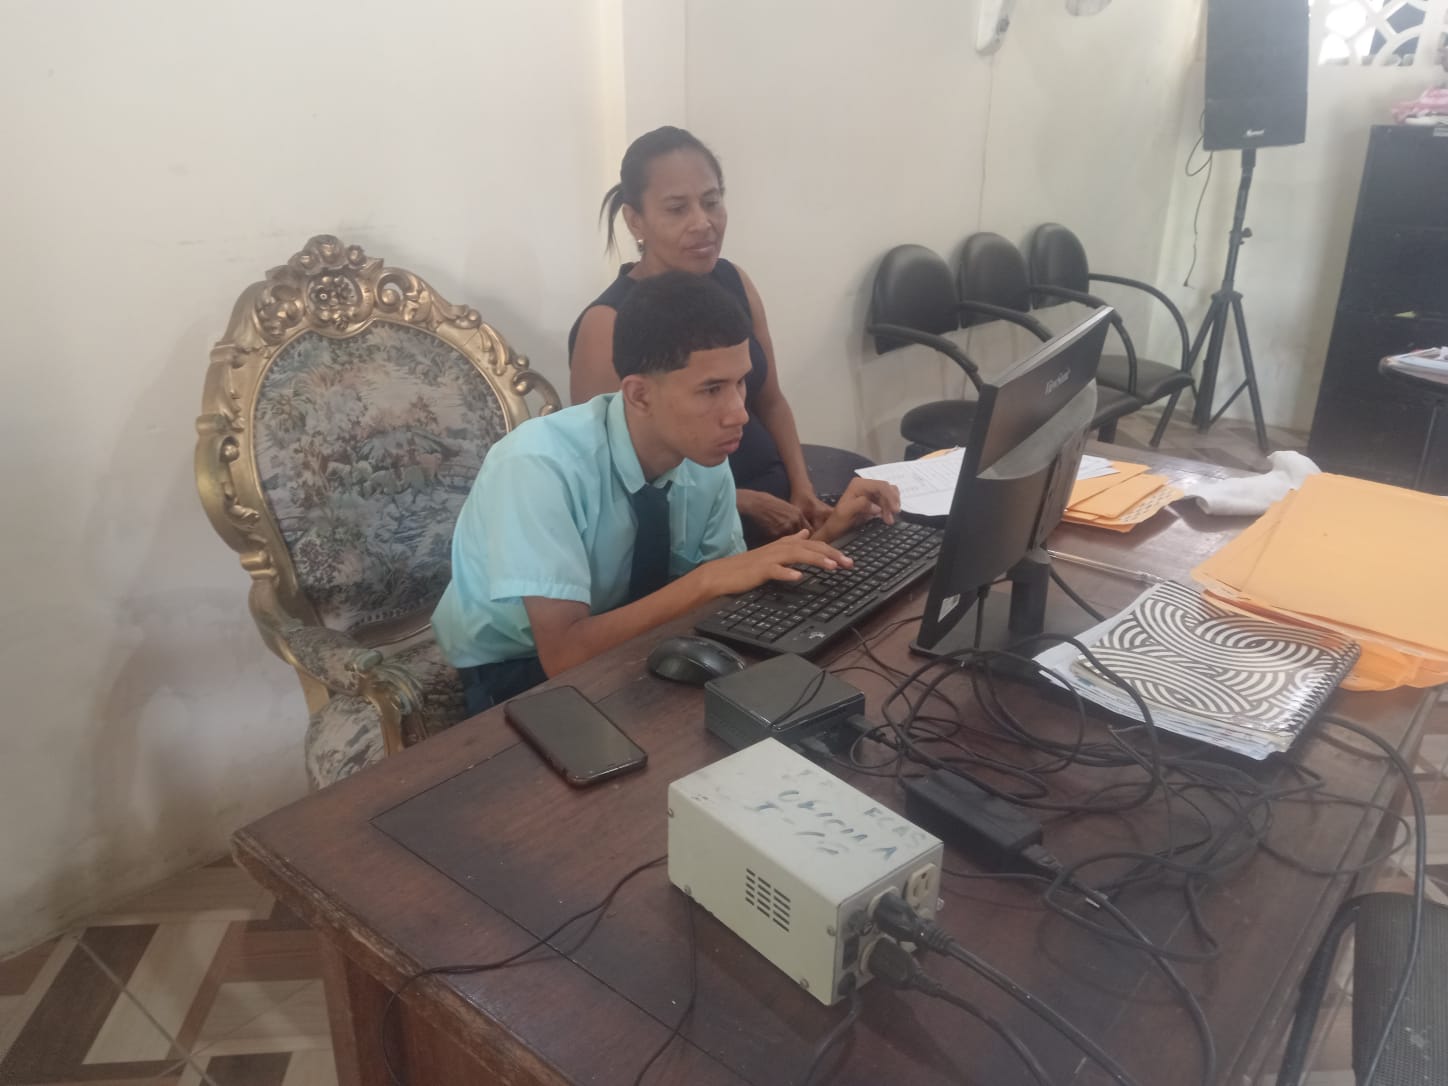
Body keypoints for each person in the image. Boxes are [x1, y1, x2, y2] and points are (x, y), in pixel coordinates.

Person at [434, 271, 901, 714]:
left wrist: (829, 537)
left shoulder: (702, 455)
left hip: (639, 634)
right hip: (517, 666)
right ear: (639, 395)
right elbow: (564, 654)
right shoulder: (538, 466)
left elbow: (731, 592)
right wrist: (708, 579)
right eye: (712, 389)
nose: (739, 412)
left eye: (740, 382)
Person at [568, 125, 831, 543]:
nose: (703, 223)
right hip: (691, 526)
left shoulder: (733, 281)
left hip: (780, 501)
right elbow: (609, 472)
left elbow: (771, 400)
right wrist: (739, 501)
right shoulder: (607, 323)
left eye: (711, 202)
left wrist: (803, 488)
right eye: (677, 209)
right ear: (635, 220)